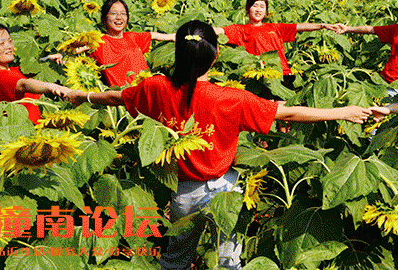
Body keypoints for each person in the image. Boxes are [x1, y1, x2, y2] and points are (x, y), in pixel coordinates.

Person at [66, 20, 372, 270]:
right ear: (215, 56)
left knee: (175, 259)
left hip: (184, 190)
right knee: (229, 260)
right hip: (225, 188)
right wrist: (342, 112)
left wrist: (83, 96)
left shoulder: (156, 87)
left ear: (178, 55)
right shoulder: (230, 98)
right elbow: (287, 112)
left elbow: (117, 97)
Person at [213, 0, 336, 85]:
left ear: (266, 11)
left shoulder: (275, 27)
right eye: (255, 6)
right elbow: (219, 31)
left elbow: (299, 26)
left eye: (262, 6)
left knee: (286, 111)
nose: (258, 10)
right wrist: (196, 32)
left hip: (282, 73)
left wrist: (322, 25)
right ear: (247, 9)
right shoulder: (240, 30)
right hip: (258, 75)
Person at [0, 23, 71, 124]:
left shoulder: (12, 71)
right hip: (27, 135)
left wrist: (48, 59)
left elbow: (29, 69)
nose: (9, 46)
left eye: (10, 41)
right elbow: (23, 84)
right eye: (2, 43)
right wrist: (54, 88)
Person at [82, 0, 175, 87]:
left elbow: (152, 35)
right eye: (113, 13)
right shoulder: (99, 41)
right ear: (104, 18)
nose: (119, 17)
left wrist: (173, 37)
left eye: (123, 13)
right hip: (123, 96)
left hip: (148, 89)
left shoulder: (131, 37)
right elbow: (77, 49)